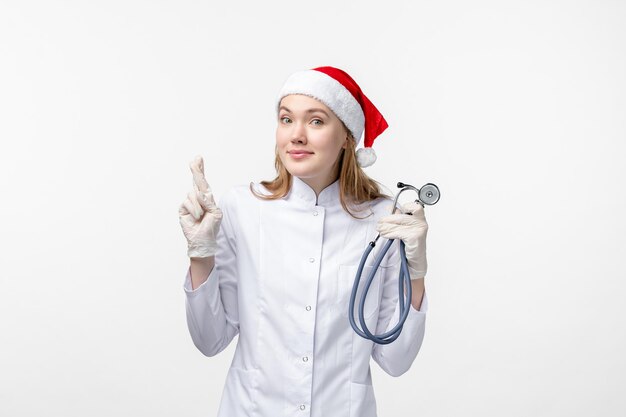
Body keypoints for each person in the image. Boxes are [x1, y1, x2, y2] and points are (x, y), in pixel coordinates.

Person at [178, 66, 430, 417]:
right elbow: (209, 340)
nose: (296, 135)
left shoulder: (382, 219)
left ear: (346, 136)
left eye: (315, 121)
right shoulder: (242, 208)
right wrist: (200, 257)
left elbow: (396, 359)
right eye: (286, 119)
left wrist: (416, 273)